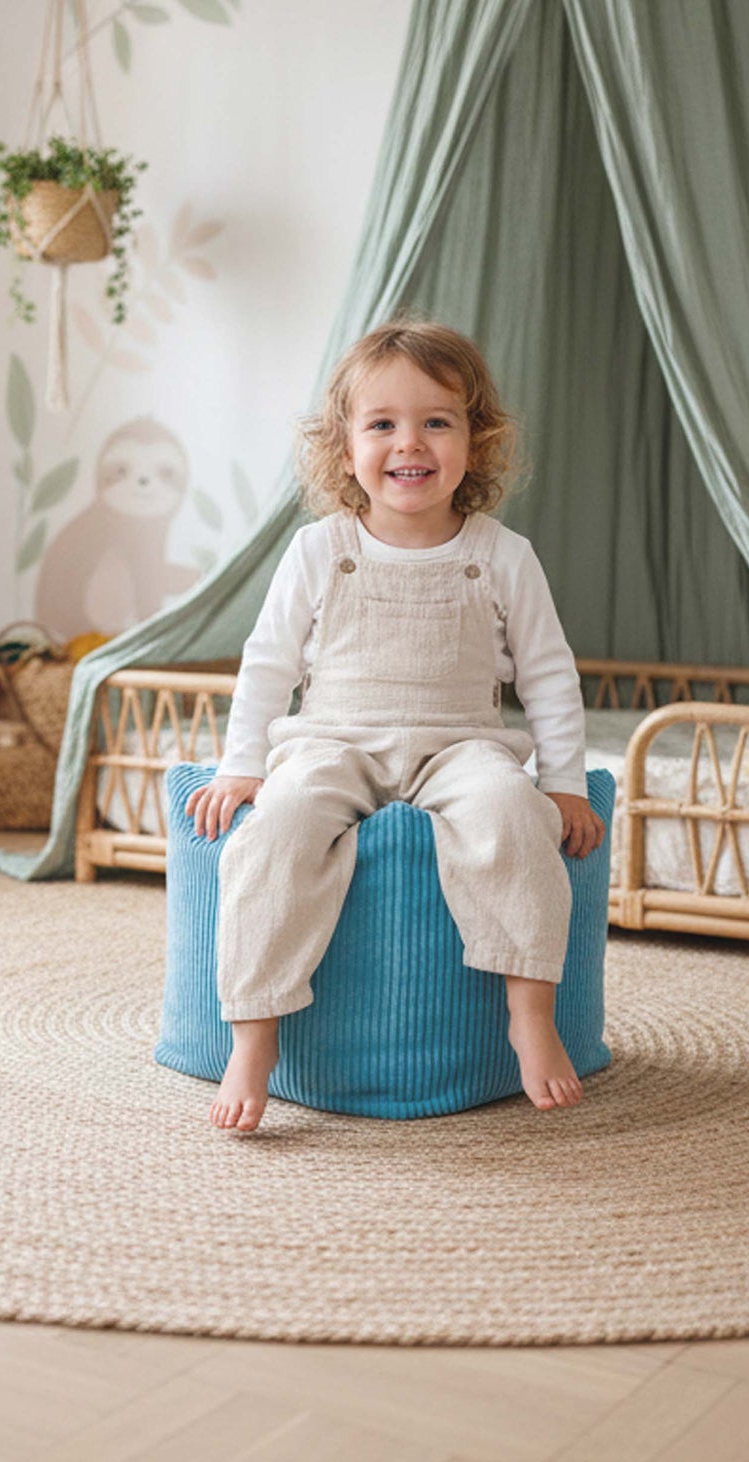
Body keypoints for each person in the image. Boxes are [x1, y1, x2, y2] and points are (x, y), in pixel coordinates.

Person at [186, 317, 604, 1132]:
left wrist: (562, 784)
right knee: (278, 830)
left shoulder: (501, 554)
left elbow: (550, 675)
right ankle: (256, 1031)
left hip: (461, 746)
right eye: (382, 424)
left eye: (436, 422)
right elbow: (267, 665)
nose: (408, 443)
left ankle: (529, 1011)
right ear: (345, 450)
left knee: (512, 818)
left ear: (475, 444)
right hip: (332, 741)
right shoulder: (320, 549)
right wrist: (243, 765)